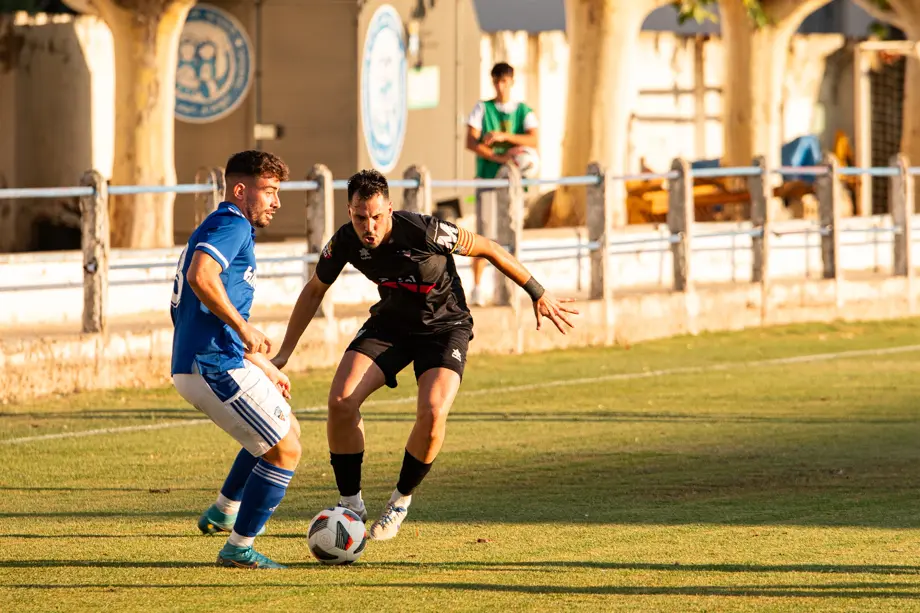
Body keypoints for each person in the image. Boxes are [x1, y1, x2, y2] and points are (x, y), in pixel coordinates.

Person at [271, 169, 576, 541]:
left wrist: (537, 292)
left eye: (377, 216)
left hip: (445, 328)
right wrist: (285, 351)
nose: (369, 226)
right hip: (390, 326)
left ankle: (400, 501)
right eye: (359, 216)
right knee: (340, 402)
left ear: (390, 209)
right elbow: (315, 289)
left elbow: (490, 248)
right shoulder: (345, 242)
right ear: (349, 211)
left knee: (432, 411)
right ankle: (351, 504)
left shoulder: (426, 231)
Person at [171, 150, 299, 569]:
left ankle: (226, 510)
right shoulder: (231, 224)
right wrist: (244, 332)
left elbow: (197, 305)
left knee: (286, 426)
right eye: (269, 191)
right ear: (240, 190)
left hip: (213, 358)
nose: (276, 201)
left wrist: (264, 365)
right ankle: (238, 547)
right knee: (285, 452)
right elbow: (200, 277)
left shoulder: (225, 226)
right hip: (211, 365)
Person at [465, 61, 539, 306]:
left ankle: (509, 288)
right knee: (484, 232)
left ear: (512, 82)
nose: (500, 86)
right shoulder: (482, 109)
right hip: (487, 178)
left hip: (512, 185)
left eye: (504, 81)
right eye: (496, 81)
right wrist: (498, 156)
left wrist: (505, 137)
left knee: (510, 233)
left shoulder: (523, 111)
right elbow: (471, 142)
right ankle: (477, 287)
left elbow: (534, 140)